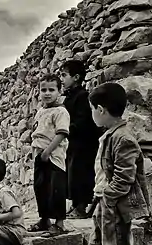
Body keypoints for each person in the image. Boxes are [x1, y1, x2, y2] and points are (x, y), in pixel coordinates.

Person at [85, 82, 149, 245]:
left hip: (114, 206)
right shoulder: (110, 135)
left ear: (100, 110)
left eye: (92, 109)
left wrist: (107, 198)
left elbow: (124, 178)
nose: (92, 114)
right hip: (103, 202)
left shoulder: (123, 138)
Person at [27, 74, 70, 237]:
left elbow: (61, 134)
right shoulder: (41, 111)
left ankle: (59, 223)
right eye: (43, 89)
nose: (47, 93)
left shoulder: (60, 112)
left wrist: (47, 152)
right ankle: (44, 219)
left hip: (53, 156)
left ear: (59, 91)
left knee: (56, 189)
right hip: (40, 155)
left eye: (51, 89)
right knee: (40, 187)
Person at [60, 60, 101, 218]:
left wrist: (66, 129)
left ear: (76, 77)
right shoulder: (69, 97)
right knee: (71, 175)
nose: (62, 79)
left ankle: (81, 207)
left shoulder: (83, 96)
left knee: (80, 175)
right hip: (73, 143)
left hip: (84, 143)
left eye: (64, 75)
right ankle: (76, 205)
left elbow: (83, 120)